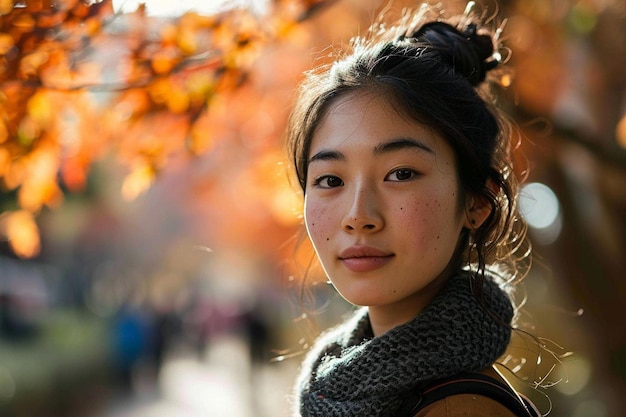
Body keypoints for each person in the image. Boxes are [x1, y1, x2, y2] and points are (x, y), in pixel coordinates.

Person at [285, 1, 544, 416]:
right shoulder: (336, 387)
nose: (358, 215)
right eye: (331, 180)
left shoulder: (461, 409)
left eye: (401, 173)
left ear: (476, 202)